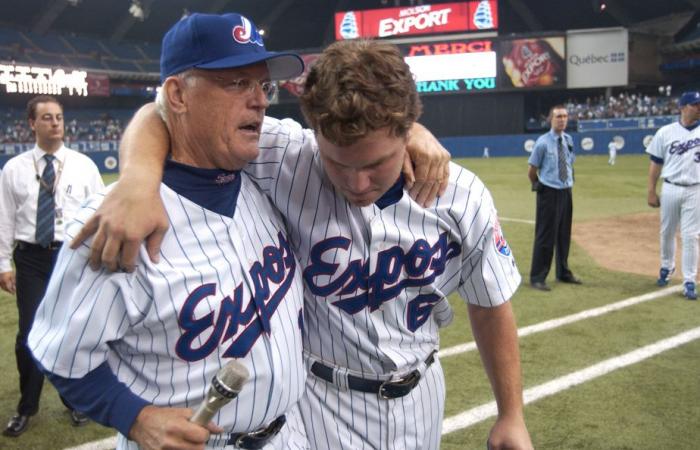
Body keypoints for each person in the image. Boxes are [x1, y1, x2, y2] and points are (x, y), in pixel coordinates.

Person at [73, 40, 532, 450]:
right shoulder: (288, 155)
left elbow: (490, 302)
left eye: (376, 162)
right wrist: (137, 175)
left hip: (422, 392)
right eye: (337, 162)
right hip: (319, 403)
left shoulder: (462, 195)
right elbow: (162, 112)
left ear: (407, 129)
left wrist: (511, 414)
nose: (357, 182)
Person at [28, 13, 311, 449]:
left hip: (290, 435)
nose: (259, 100)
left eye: (263, 86)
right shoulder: (115, 223)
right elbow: (61, 351)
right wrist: (134, 417)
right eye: (238, 83)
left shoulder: (265, 177)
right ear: (178, 95)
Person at [0, 95, 103, 436]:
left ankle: (75, 402)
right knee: (29, 334)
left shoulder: (84, 165)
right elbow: (4, 220)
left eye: (58, 116)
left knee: (73, 331)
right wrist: (3, 264)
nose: (56, 123)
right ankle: (26, 408)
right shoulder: (14, 169)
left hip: (71, 254)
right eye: (47, 117)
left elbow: (99, 211)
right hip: (30, 258)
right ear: (32, 123)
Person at [646, 90, 700, 300]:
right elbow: (655, 163)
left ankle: (689, 280)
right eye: (694, 104)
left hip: (695, 189)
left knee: (690, 236)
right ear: (683, 107)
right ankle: (667, 267)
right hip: (669, 187)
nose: (698, 108)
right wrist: (651, 190)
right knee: (666, 231)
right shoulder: (665, 132)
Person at [527, 105, 582, 291]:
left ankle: (563, 272)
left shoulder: (568, 140)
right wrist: (538, 185)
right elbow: (532, 170)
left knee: (563, 234)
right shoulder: (542, 143)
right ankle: (537, 276)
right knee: (545, 236)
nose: (562, 119)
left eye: (565, 116)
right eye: (558, 116)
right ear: (551, 119)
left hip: (566, 190)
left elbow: (569, 161)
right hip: (549, 192)